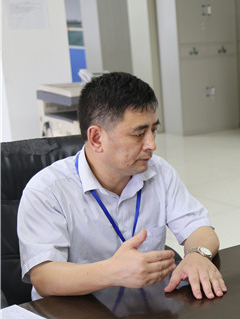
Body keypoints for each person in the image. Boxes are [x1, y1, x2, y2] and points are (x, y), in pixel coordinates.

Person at [18, 72, 227, 301]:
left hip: (146, 309)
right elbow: (44, 277)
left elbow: (199, 228)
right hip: (76, 313)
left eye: (153, 130)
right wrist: (112, 272)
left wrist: (197, 254)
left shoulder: (158, 171)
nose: (152, 144)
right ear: (97, 138)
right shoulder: (47, 191)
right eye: (139, 134)